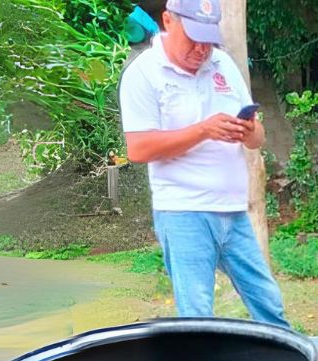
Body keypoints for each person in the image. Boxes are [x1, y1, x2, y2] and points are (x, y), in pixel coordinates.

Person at [119, 0, 289, 328]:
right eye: (193, 38)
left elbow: (258, 140)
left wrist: (248, 130)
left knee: (270, 305)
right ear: (168, 21)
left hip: (234, 211)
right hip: (183, 213)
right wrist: (203, 130)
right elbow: (138, 149)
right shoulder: (143, 73)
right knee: (197, 319)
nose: (202, 50)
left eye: (208, 40)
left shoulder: (223, 63)